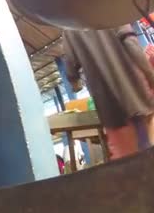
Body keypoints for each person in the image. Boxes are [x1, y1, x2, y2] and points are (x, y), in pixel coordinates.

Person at [63, 23, 154, 160]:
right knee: (146, 143)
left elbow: (70, 61)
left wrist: (75, 82)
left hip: (108, 102)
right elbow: (131, 43)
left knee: (127, 158)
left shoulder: (69, 26)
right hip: (134, 92)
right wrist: (150, 75)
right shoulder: (110, 9)